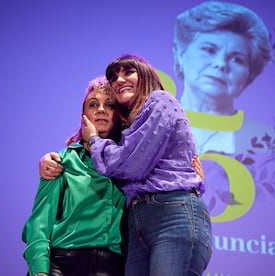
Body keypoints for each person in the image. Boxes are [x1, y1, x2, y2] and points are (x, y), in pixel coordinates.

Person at [77, 54, 212, 276]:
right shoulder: (125, 130)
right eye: (114, 77)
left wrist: (94, 141)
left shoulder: (161, 100)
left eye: (128, 72)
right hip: (137, 223)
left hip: (173, 214)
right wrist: (56, 159)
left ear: (146, 75)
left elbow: (130, 165)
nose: (119, 80)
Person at [22, 76, 127, 276]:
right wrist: (39, 270)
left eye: (110, 105)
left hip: (112, 267)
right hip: (61, 265)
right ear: (83, 116)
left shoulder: (130, 163)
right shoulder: (61, 161)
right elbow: (40, 222)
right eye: (93, 104)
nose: (101, 109)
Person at [173, 0, 275, 154]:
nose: (221, 64)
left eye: (237, 59)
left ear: (250, 74)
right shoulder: (146, 129)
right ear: (180, 54)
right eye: (209, 50)